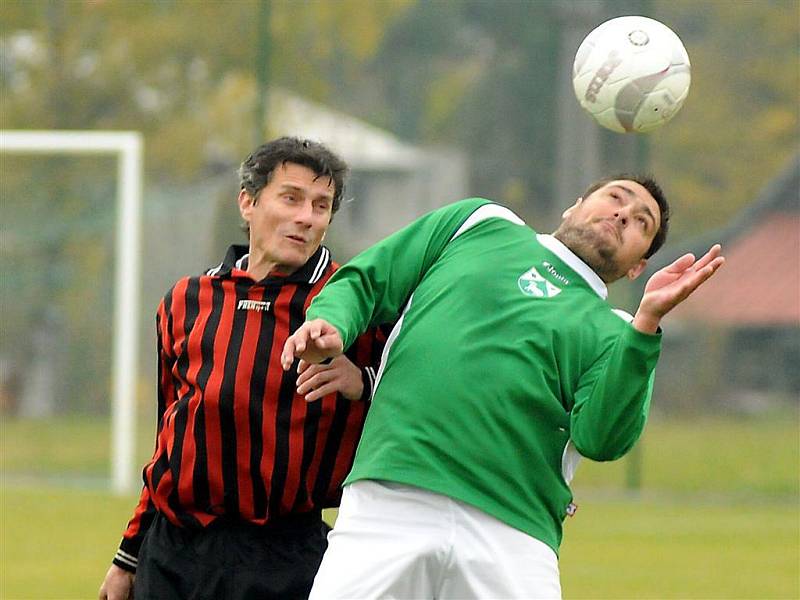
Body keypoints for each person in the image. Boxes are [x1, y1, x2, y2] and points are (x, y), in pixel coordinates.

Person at [281, 175, 725, 599]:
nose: (625, 213)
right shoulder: (479, 223)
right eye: (616, 197)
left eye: (642, 221)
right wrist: (333, 322)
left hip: (513, 532)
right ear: (575, 205)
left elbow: (602, 439)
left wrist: (646, 325)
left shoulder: (620, 334)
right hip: (392, 495)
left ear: (638, 267)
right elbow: (370, 278)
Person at [99, 137, 385, 600]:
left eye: (321, 205)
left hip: (286, 559)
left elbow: (425, 399)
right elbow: (169, 446)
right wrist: (128, 555)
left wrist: (364, 383)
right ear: (248, 203)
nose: (306, 217)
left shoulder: (353, 305)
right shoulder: (185, 302)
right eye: (291, 198)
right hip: (172, 554)